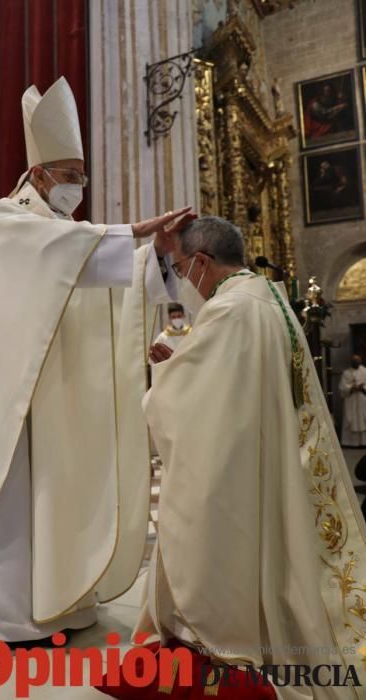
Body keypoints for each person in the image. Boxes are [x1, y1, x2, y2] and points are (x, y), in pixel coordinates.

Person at [0, 76, 193, 645]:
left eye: (82, 177)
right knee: (19, 504)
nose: (78, 187)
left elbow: (107, 278)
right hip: (16, 399)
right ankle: (5, 616)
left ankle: (64, 600)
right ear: (38, 174)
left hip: (58, 396)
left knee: (58, 496)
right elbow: (53, 259)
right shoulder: (4, 220)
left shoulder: (65, 230)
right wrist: (130, 231)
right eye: (71, 176)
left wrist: (151, 255)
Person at [105, 215, 365, 698]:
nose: (184, 279)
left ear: (202, 262)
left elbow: (195, 401)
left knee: (216, 543)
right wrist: (184, 360)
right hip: (266, 448)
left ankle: (215, 638)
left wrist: (164, 373)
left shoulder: (229, 311)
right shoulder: (267, 298)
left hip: (233, 463)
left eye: (183, 268)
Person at [339, 355, 366, 447]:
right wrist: (351, 388)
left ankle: (363, 442)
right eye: (354, 360)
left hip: (362, 398)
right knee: (351, 419)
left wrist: (362, 388)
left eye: (358, 360)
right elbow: (342, 388)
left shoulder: (364, 371)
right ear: (351, 362)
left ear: (360, 361)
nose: (356, 362)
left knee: (363, 419)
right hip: (351, 399)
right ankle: (350, 443)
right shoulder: (346, 373)